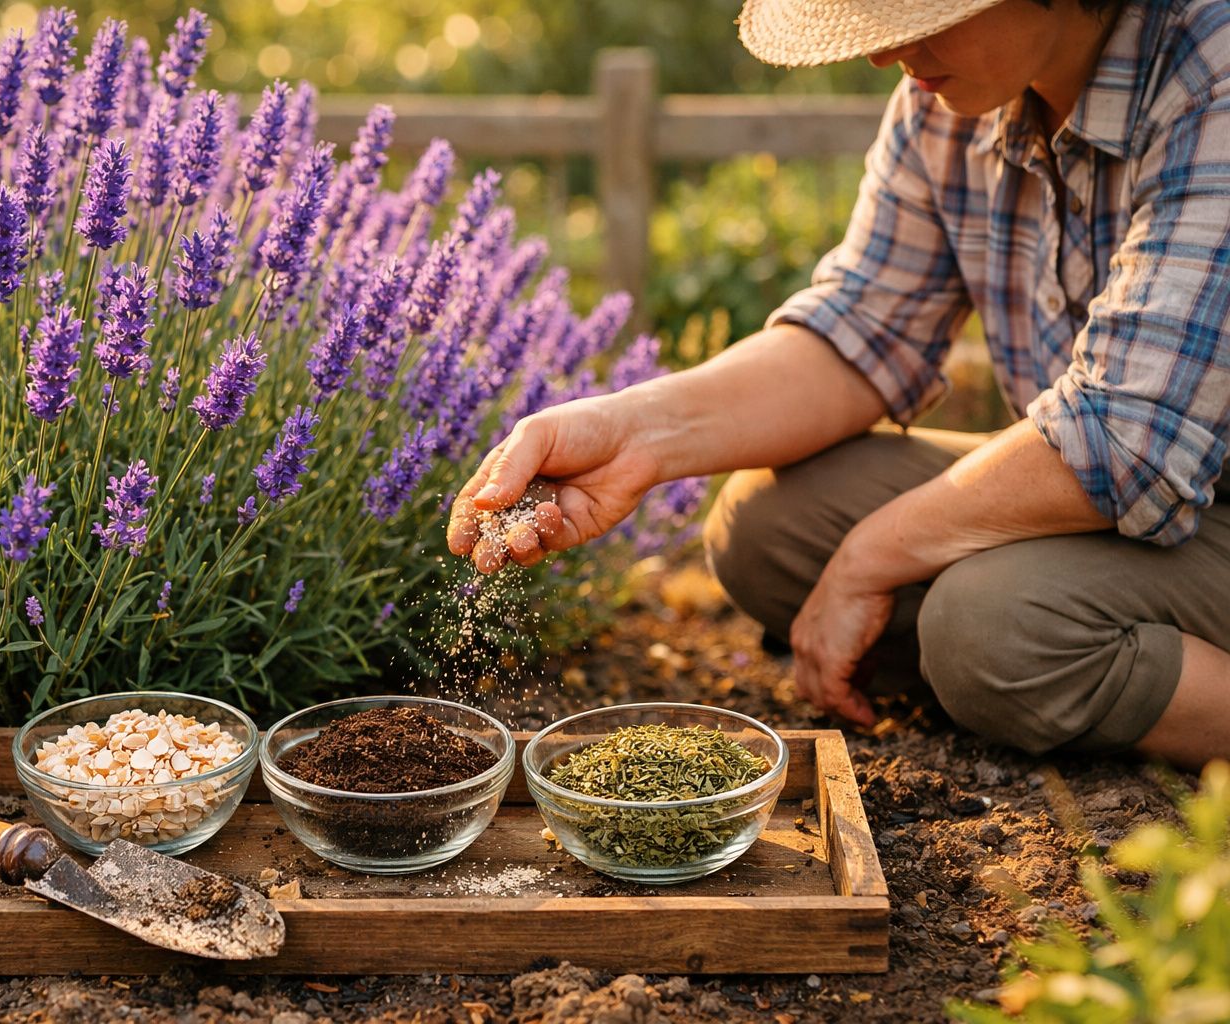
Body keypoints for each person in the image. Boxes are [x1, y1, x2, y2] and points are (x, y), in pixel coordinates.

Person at [446, 0, 1230, 771]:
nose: (885, 53)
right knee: (768, 526)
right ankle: (1032, 672)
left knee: (990, 624)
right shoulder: (952, 104)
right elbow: (861, 332)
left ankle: (1016, 667)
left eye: (920, 15)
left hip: (1190, 496)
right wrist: (634, 433)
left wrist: (873, 558)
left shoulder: (1208, 73)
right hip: (1117, 491)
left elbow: (1129, 439)